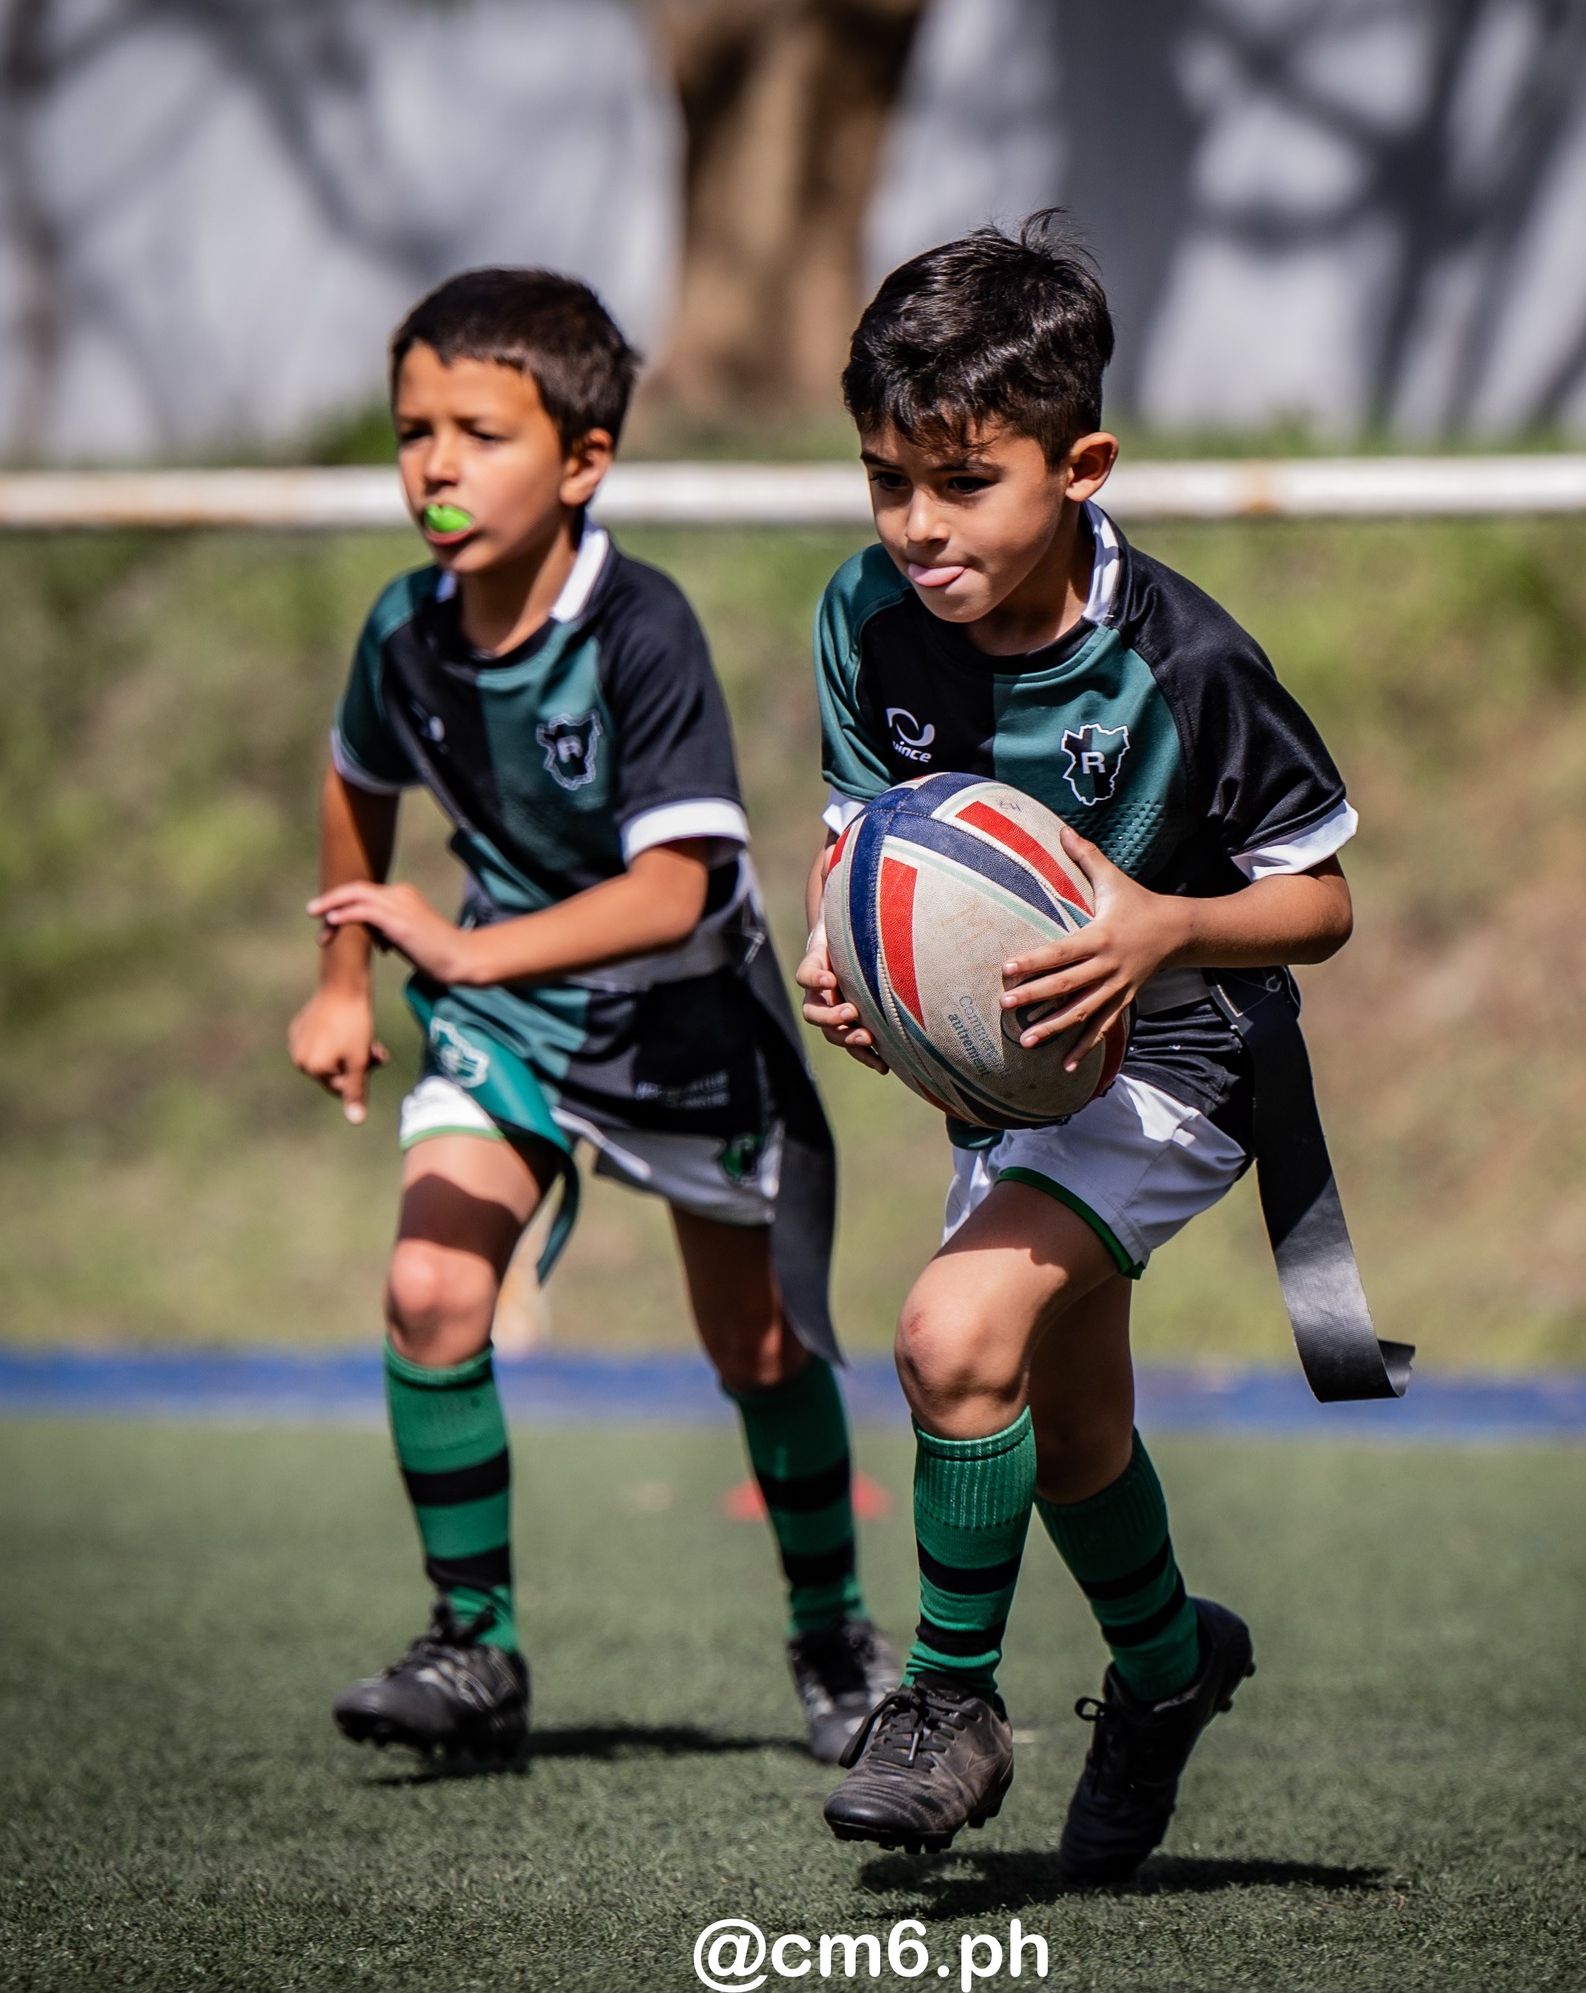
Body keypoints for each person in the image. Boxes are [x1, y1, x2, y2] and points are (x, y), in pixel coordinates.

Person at [796, 217, 1360, 1880]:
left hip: (1181, 1053)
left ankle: (951, 1703)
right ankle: (1175, 1672)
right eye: (887, 480)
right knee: (1072, 1430)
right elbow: (867, 853)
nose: (917, 525)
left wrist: (1157, 924)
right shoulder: (866, 617)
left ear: (1082, 465)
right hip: (1019, 1067)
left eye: (962, 483)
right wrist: (854, 969)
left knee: (950, 1329)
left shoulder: (1184, 661)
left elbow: (1320, 903)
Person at [289, 267, 897, 1770]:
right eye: (414, 428)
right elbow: (355, 781)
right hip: (509, 1024)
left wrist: (452, 949)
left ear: (582, 459)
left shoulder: (639, 627)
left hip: (683, 1025)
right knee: (433, 1289)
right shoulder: (404, 630)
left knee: (755, 1348)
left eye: (481, 432)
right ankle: (473, 1646)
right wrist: (343, 982)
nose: (437, 463)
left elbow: (679, 888)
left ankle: (834, 1637)